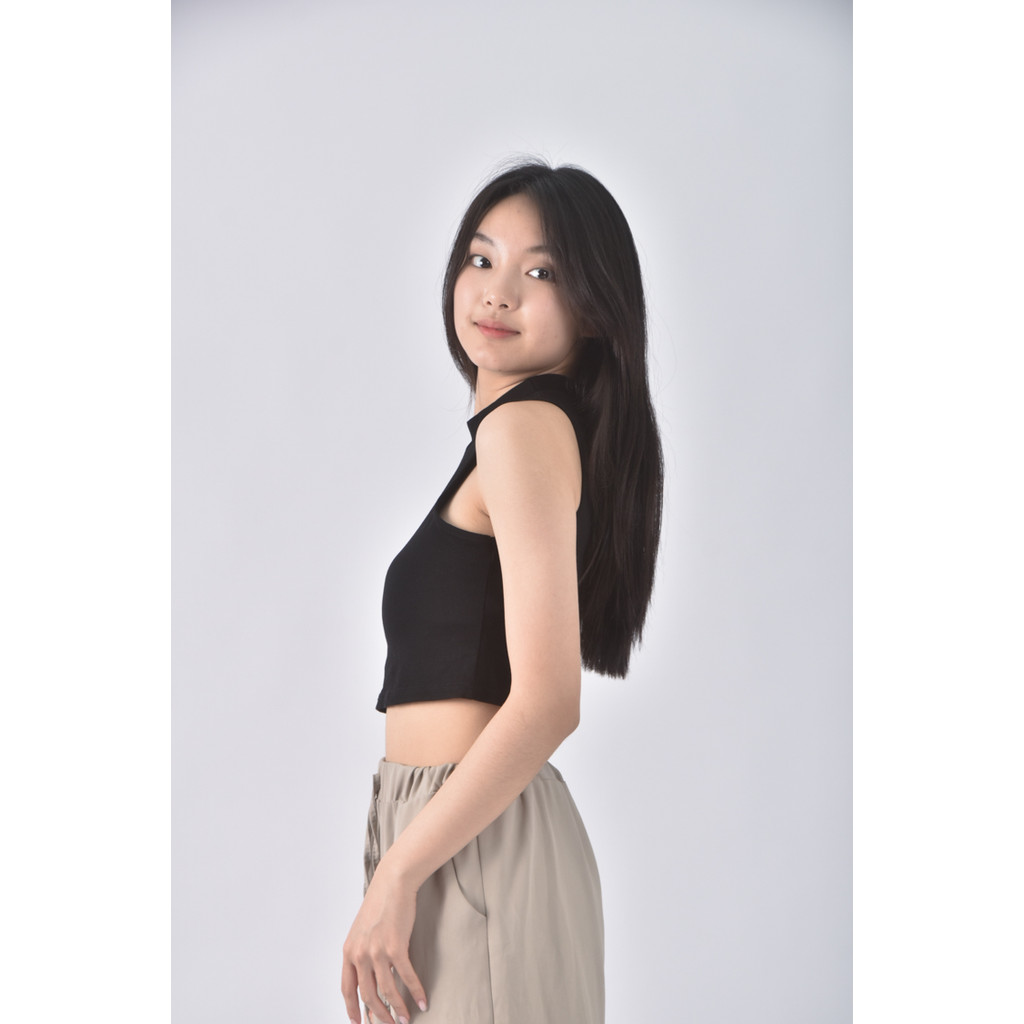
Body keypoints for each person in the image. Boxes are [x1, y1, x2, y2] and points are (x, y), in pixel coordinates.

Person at [340, 160, 663, 1024]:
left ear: (593, 308)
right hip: (451, 833)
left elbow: (550, 699)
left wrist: (401, 869)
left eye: (542, 271)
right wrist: (400, 857)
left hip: (472, 847)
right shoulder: (512, 433)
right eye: (482, 259)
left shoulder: (523, 426)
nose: (499, 291)